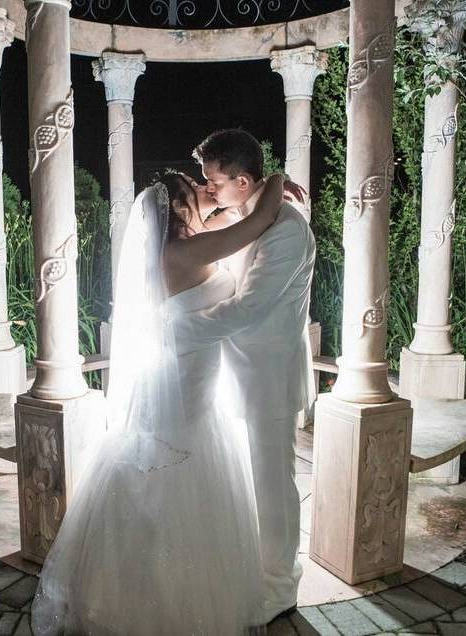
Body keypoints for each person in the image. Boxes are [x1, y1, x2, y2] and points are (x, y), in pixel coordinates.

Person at [30, 169, 296, 635]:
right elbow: (255, 224)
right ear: (176, 209)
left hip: (187, 381)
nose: (207, 193)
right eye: (196, 190)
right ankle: (164, 604)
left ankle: (140, 589)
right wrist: (275, 178)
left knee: (163, 479)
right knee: (177, 480)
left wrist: (216, 199)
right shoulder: (188, 251)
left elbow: (225, 218)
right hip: (185, 385)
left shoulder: (179, 246)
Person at [176, 128, 317, 621]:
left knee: (274, 487)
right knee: (248, 483)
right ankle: (251, 567)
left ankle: (281, 587)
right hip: (235, 373)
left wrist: (177, 332)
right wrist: (277, 181)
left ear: (240, 179)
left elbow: (249, 308)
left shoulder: (287, 230)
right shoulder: (249, 213)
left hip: (269, 379)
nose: (208, 190)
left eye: (213, 181)